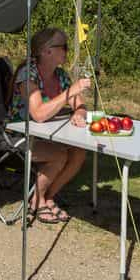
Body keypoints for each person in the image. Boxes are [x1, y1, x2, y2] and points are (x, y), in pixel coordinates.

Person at [8, 27, 91, 224]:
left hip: (46, 136)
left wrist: (79, 113)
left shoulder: (60, 75)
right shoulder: (27, 74)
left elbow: (80, 105)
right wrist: (70, 91)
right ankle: (36, 201)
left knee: (79, 151)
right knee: (59, 155)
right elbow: (38, 114)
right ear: (47, 51)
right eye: (63, 47)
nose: (67, 51)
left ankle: (47, 196)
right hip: (17, 136)